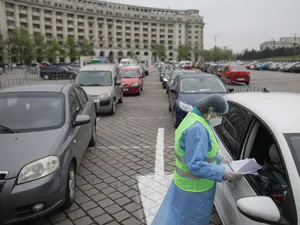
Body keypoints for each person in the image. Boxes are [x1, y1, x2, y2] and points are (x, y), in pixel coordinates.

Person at [152, 94, 241, 225]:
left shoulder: (195, 118)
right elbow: (195, 164)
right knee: (192, 221)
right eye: (219, 115)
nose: (220, 118)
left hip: (189, 186)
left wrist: (219, 159)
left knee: (180, 218)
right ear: (210, 110)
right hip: (194, 191)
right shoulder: (197, 129)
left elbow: (201, 151)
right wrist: (223, 173)